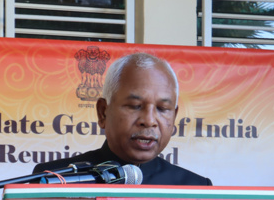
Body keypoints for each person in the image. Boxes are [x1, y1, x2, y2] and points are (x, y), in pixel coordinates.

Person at [33, 52, 212, 186]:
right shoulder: (54, 179)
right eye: (135, 106)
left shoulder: (194, 188)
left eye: (162, 109)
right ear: (103, 112)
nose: (149, 121)